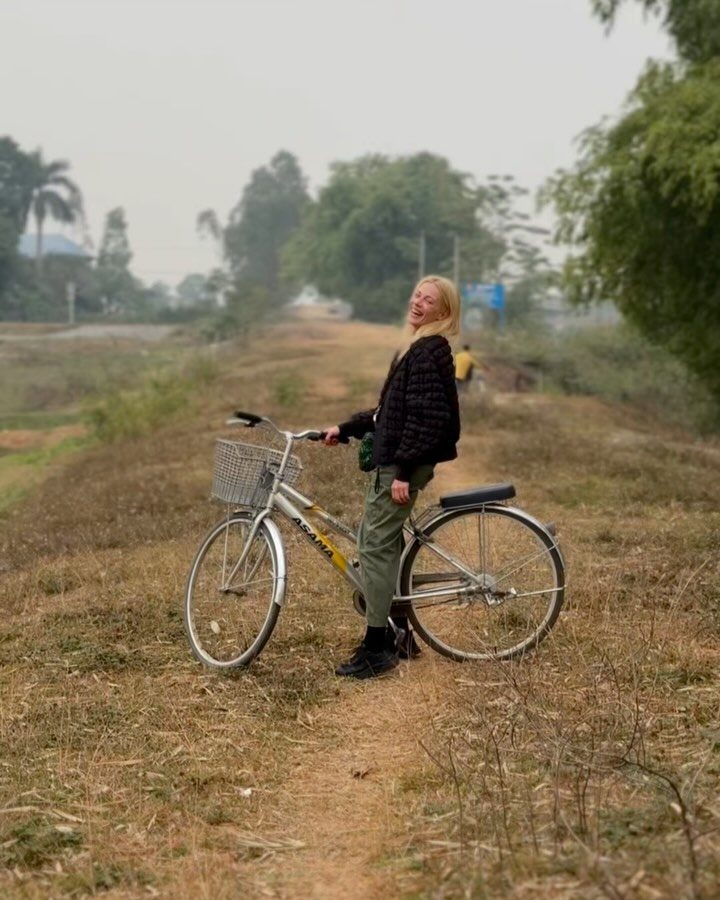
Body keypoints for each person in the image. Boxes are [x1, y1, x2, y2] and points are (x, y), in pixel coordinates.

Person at [322, 275, 461, 679]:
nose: (418, 302)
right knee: (384, 544)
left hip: (400, 466)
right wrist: (346, 428)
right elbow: (390, 414)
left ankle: (376, 648)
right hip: (396, 461)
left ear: (444, 311)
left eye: (428, 300)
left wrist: (403, 472)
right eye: (417, 294)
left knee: (374, 548)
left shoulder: (428, 352)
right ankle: (401, 635)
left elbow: (426, 419)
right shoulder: (420, 348)